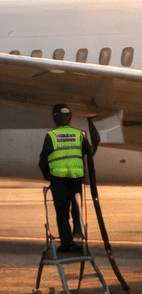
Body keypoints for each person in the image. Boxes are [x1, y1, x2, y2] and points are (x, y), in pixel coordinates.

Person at [38, 104, 94, 254]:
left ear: (55, 117)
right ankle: (78, 241)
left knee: (62, 213)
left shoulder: (51, 136)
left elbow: (43, 159)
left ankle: (66, 243)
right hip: (75, 180)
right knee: (76, 211)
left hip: (59, 180)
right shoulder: (79, 134)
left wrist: (47, 175)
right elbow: (89, 151)